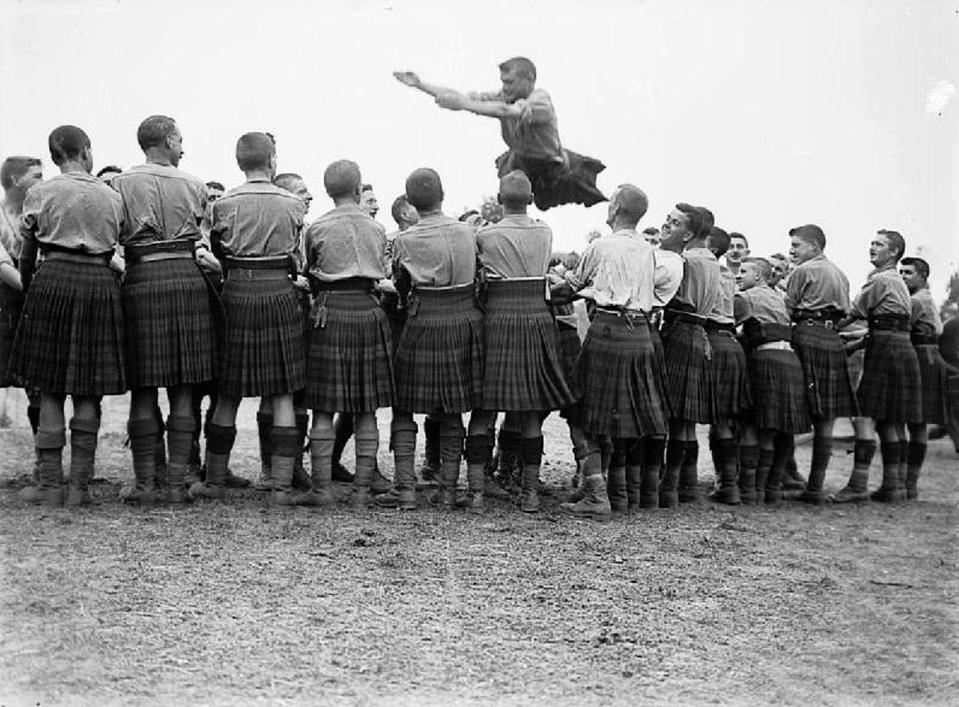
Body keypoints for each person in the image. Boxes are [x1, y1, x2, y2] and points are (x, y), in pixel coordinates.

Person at [9, 125, 126, 506]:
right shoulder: (110, 195)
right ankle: (78, 487)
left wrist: (31, 289)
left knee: (51, 387)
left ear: (56, 155)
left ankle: (48, 484)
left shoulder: (40, 193)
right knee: (88, 387)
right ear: (87, 151)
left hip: (52, 282)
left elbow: (27, 253)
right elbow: (116, 245)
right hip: (98, 283)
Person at [189, 132, 306, 505]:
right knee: (283, 390)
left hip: (236, 294)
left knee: (229, 391)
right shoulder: (292, 204)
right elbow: (297, 259)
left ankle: (215, 480)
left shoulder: (223, 205)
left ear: (239, 162)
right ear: (273, 160)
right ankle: (282, 487)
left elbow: (219, 253)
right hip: (280, 294)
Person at [111, 115, 218, 505]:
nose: (183, 147)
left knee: (143, 386)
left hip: (140, 279)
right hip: (187, 279)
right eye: (181, 139)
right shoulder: (195, 184)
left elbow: (112, 240)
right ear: (169, 140)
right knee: (184, 387)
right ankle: (176, 486)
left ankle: (144, 485)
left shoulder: (119, 184)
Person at [555, 184, 668, 518]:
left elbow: (569, 288)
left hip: (608, 331)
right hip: (640, 335)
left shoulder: (601, 245)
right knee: (624, 416)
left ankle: (595, 492)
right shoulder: (648, 249)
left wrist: (546, 282)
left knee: (580, 410)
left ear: (616, 207)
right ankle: (618, 494)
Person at [376, 168, 484, 511]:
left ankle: (404, 488)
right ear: (443, 193)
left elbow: (402, 287)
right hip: (464, 321)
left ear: (411, 201)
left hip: (423, 321)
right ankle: (449, 490)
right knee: (452, 407)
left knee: (405, 405)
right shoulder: (469, 232)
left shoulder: (405, 240)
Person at [297, 159, 393, 508]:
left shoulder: (317, 228)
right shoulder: (376, 227)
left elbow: (310, 270)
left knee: (323, 407)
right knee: (366, 408)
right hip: (369, 311)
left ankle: (321, 490)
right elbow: (383, 270)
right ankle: (362, 492)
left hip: (329, 313)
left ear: (327, 191)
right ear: (358, 187)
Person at [394, 57, 607, 210]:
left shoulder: (540, 100)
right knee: (509, 193)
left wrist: (462, 104)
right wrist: (421, 85)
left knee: (586, 192)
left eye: (510, 82)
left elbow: (506, 111)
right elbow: (462, 97)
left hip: (551, 167)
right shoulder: (505, 96)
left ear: (529, 80)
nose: (504, 88)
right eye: (503, 82)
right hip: (523, 163)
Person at [833, 231, 921, 503]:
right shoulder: (898, 282)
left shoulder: (880, 279)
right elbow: (886, 324)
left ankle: (858, 485)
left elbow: (852, 313)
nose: (872, 248)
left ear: (893, 252)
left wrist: (828, 329)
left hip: (885, 351)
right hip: (901, 349)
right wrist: (854, 342)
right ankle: (893, 487)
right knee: (892, 420)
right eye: (872, 243)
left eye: (879, 244)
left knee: (863, 416)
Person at [783, 224, 858, 504]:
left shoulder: (802, 271)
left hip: (807, 334)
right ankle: (815, 487)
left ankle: (783, 478)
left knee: (792, 404)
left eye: (796, 246)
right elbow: (847, 312)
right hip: (832, 339)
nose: (792, 251)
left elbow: (786, 309)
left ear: (814, 246)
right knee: (826, 417)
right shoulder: (840, 273)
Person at [251, 172, 314, 494]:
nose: (309, 197)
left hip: (303, 314)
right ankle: (268, 467)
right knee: (273, 390)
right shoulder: (276, 227)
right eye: (302, 192)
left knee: (299, 391)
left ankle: (294, 467)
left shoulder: (307, 230)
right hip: (280, 307)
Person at [729, 257, 811, 505]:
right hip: (790, 362)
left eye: (744, 272)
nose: (738, 276)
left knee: (753, 424)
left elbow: (728, 325)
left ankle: (748, 490)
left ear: (759, 276)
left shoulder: (745, 298)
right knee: (778, 427)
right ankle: (770, 489)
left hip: (766, 360)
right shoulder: (780, 297)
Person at [658, 204, 720, 507]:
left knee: (668, 414)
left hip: (679, 331)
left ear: (690, 233)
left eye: (676, 222)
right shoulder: (711, 261)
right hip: (699, 334)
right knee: (685, 422)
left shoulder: (686, 261)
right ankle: (679, 486)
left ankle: (666, 486)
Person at [705, 226, 753, 504]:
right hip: (732, 344)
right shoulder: (728, 277)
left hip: (712, 340)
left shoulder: (706, 270)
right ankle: (729, 482)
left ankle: (724, 484)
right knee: (726, 420)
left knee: (718, 420)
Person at [899, 256, 950, 498]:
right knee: (916, 422)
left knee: (915, 421)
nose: (903, 276)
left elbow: (898, 327)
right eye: (901, 272)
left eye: (908, 273)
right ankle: (908, 484)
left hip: (922, 357)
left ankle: (907, 483)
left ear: (922, 276)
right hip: (927, 355)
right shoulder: (925, 298)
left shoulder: (917, 300)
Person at [1, 156, 42, 433]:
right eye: (36, 176)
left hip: (33, 305)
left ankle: (43, 456)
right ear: (16, 180)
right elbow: (2, 265)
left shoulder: (39, 212)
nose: (42, 182)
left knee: (37, 383)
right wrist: (35, 289)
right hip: (3, 305)